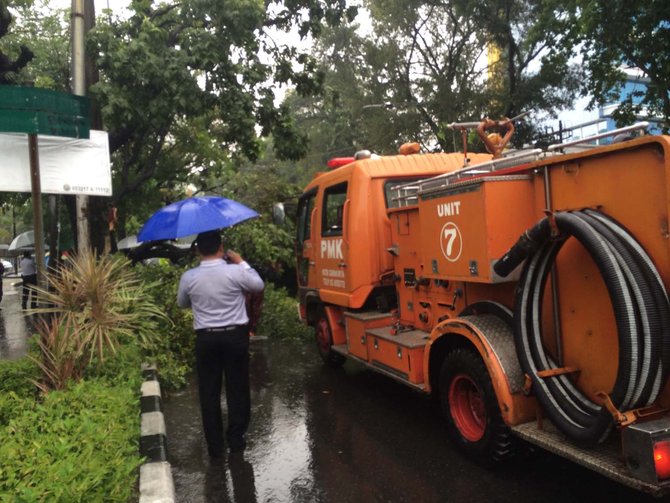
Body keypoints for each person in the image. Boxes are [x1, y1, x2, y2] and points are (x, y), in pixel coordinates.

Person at [177, 230, 264, 457]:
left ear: (197, 250)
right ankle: (236, 440)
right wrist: (241, 262)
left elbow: (182, 303)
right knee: (238, 389)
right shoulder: (236, 272)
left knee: (209, 392)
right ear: (221, 247)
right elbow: (258, 285)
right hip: (235, 337)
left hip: (206, 339)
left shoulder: (189, 277)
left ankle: (215, 447)